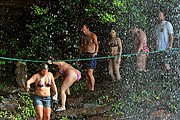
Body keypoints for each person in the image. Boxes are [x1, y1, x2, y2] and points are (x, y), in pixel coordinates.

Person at [79, 24, 99, 91]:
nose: (83, 30)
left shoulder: (93, 35)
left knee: (89, 73)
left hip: (92, 55)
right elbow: (81, 47)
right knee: (85, 73)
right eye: (82, 29)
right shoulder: (83, 37)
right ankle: (88, 88)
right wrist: (79, 56)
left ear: (88, 28)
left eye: (84, 29)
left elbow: (97, 45)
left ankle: (92, 88)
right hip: (85, 55)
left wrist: (96, 52)